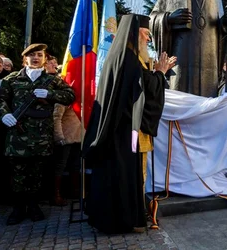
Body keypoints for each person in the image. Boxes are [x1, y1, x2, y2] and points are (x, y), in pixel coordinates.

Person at [82, 14, 176, 233]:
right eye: (146, 35)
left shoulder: (124, 56)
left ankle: (119, 217)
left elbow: (139, 87)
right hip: (123, 132)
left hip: (120, 129)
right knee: (123, 175)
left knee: (119, 175)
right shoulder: (129, 59)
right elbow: (144, 91)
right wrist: (160, 73)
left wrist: (157, 74)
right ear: (135, 34)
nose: (149, 40)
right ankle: (121, 220)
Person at [0, 43, 75, 225]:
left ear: (44, 59)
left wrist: (51, 94)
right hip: (17, 135)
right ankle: (18, 208)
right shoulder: (12, 79)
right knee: (17, 173)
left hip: (41, 135)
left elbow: (70, 95)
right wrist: (4, 114)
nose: (36, 58)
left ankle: (33, 205)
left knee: (37, 173)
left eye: (39, 55)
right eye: (31, 55)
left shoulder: (52, 80)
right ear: (25, 59)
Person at [150, 0, 227, 97]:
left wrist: (226, 22)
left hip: (209, 62)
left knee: (208, 105)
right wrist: (169, 18)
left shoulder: (217, 1)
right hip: (182, 60)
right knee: (181, 102)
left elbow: (221, 32)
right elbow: (152, 19)